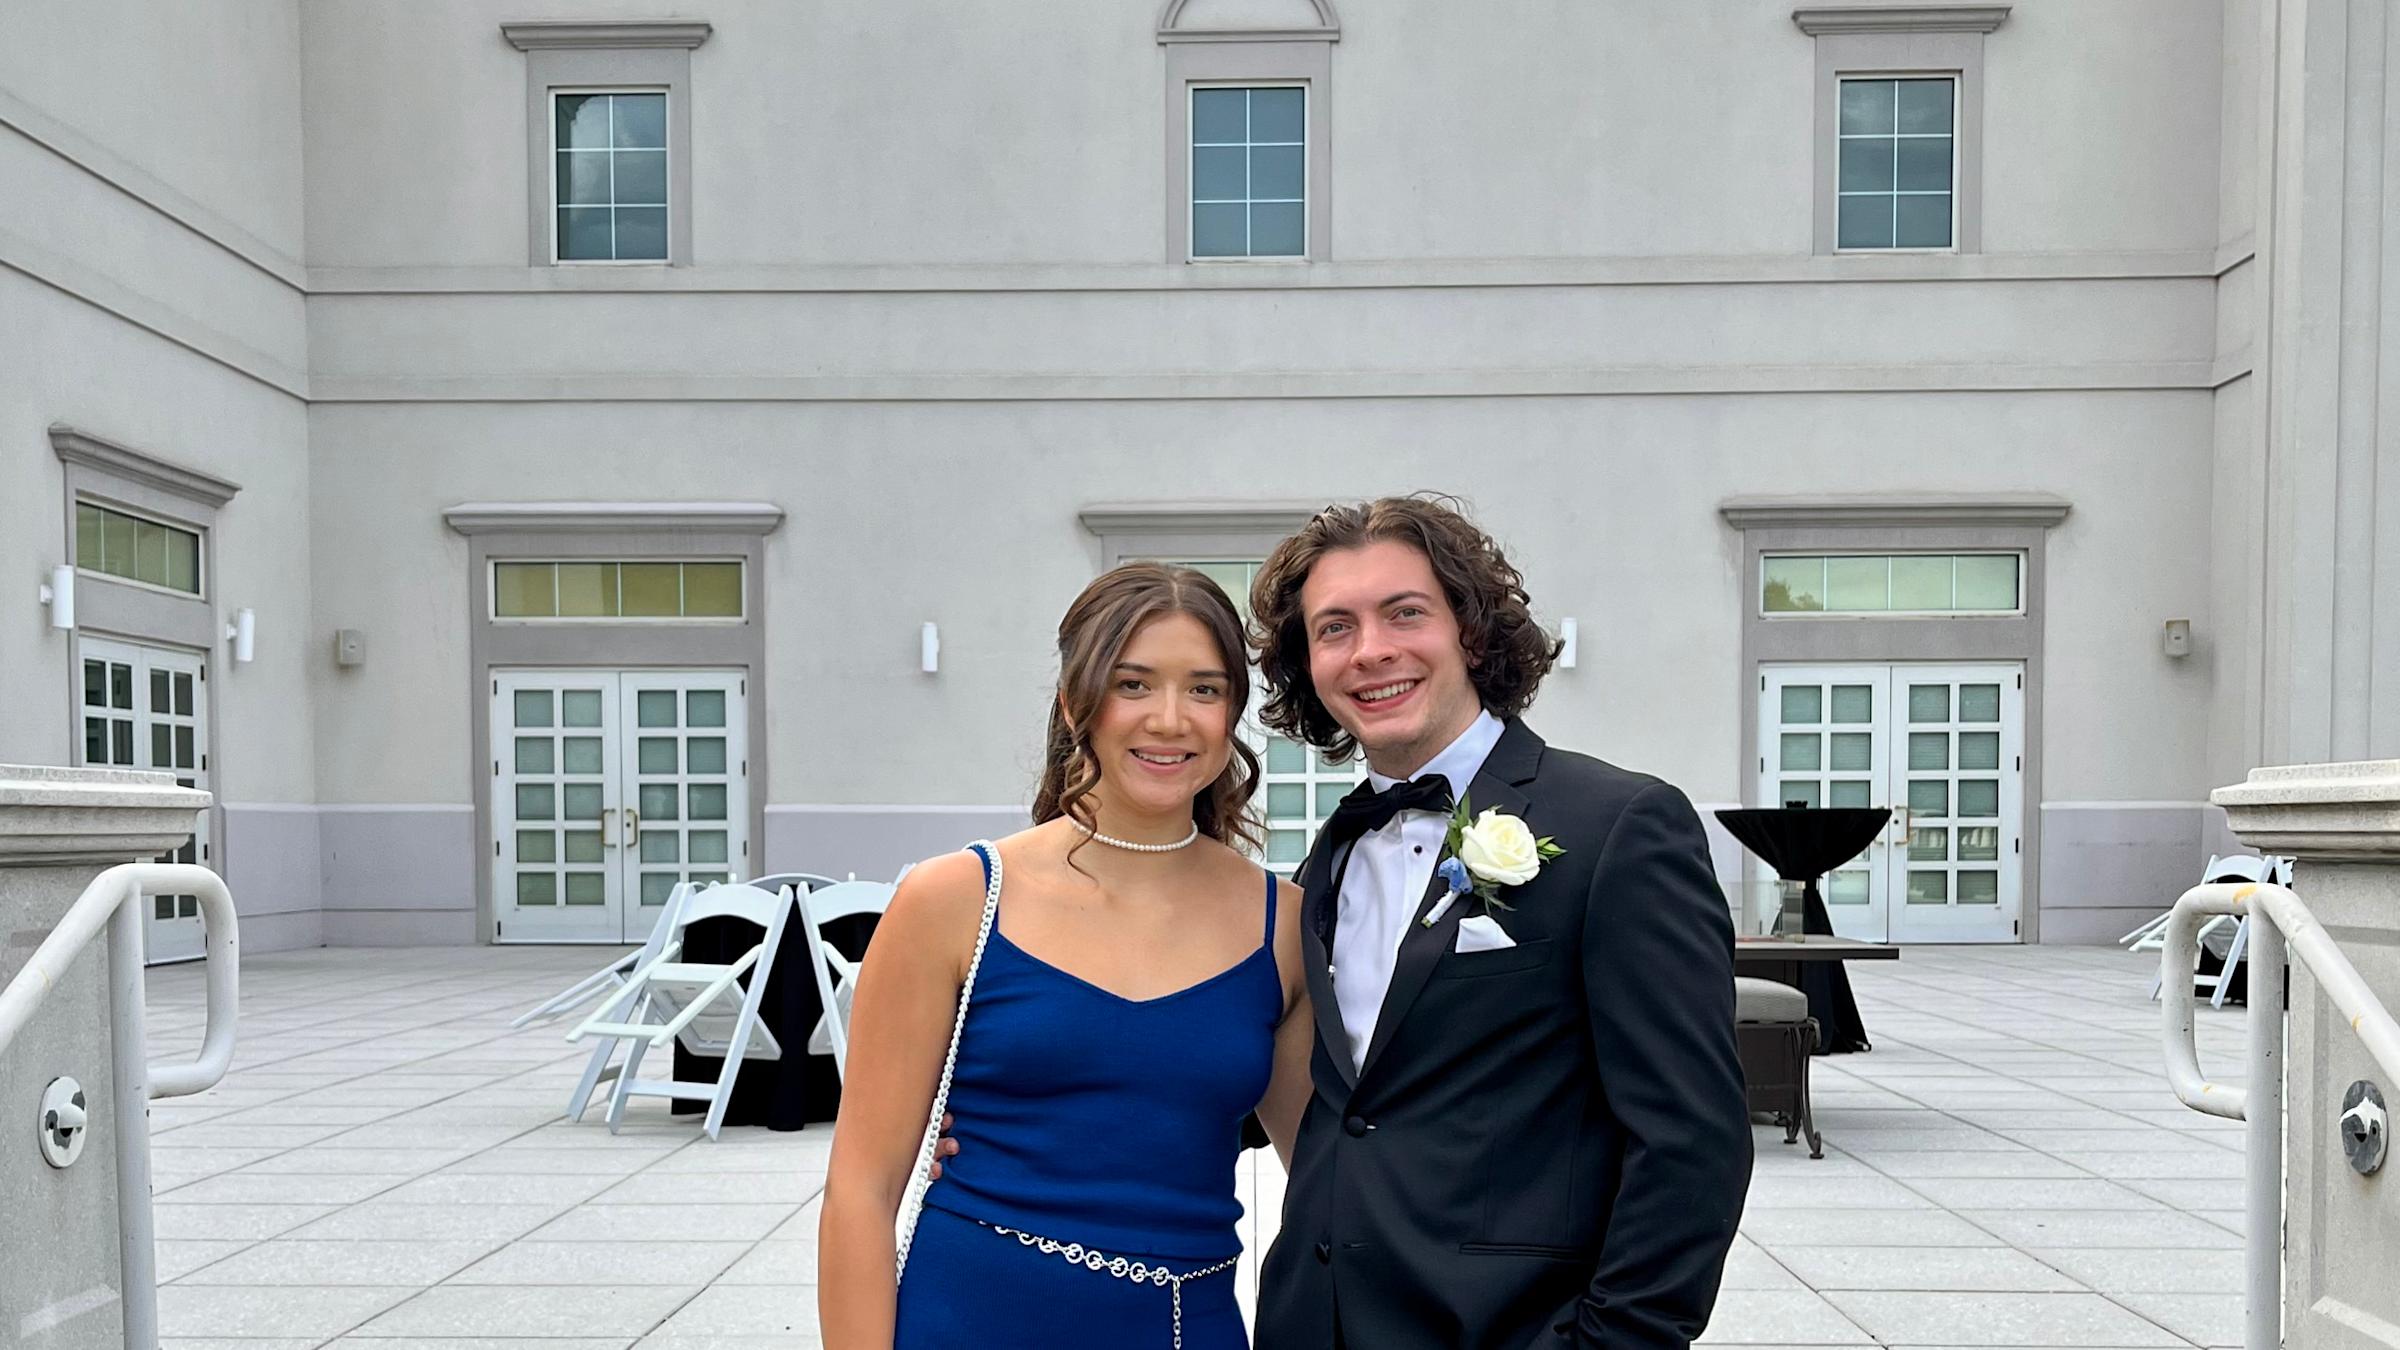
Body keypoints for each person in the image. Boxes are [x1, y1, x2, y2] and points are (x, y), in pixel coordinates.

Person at [1247, 495, 1752, 1350]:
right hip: (1311, 1323)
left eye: (1405, 613)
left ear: (1471, 632)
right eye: (1334, 628)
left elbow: (1691, 1140)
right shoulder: (1326, 860)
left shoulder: (1619, 825)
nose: (1371, 651)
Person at [818, 562, 1314, 1350]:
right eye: (1134, 684)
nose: (1170, 718)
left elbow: (1332, 1184)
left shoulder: (1281, 925)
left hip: (1187, 1329)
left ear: (1233, 717)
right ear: (1075, 702)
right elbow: (860, 1191)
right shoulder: (954, 900)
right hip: (969, 1319)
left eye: (1206, 689)